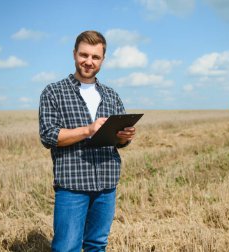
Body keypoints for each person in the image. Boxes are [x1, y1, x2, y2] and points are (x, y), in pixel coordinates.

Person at [39, 30, 136, 251]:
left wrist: (124, 138)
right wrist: (88, 130)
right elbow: (48, 135)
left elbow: (119, 143)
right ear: (74, 54)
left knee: (97, 245)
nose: (89, 62)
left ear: (103, 59)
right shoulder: (53, 92)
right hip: (73, 185)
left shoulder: (112, 95)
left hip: (106, 183)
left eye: (95, 57)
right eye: (84, 55)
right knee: (66, 247)